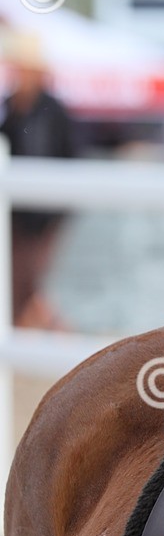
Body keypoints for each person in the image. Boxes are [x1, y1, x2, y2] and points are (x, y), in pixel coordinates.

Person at [0, 31, 79, 329]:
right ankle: (52, 335)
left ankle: (55, 333)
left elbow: (71, 156)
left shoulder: (53, 110)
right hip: (17, 216)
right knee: (22, 284)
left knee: (26, 283)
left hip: (45, 216)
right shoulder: (11, 107)